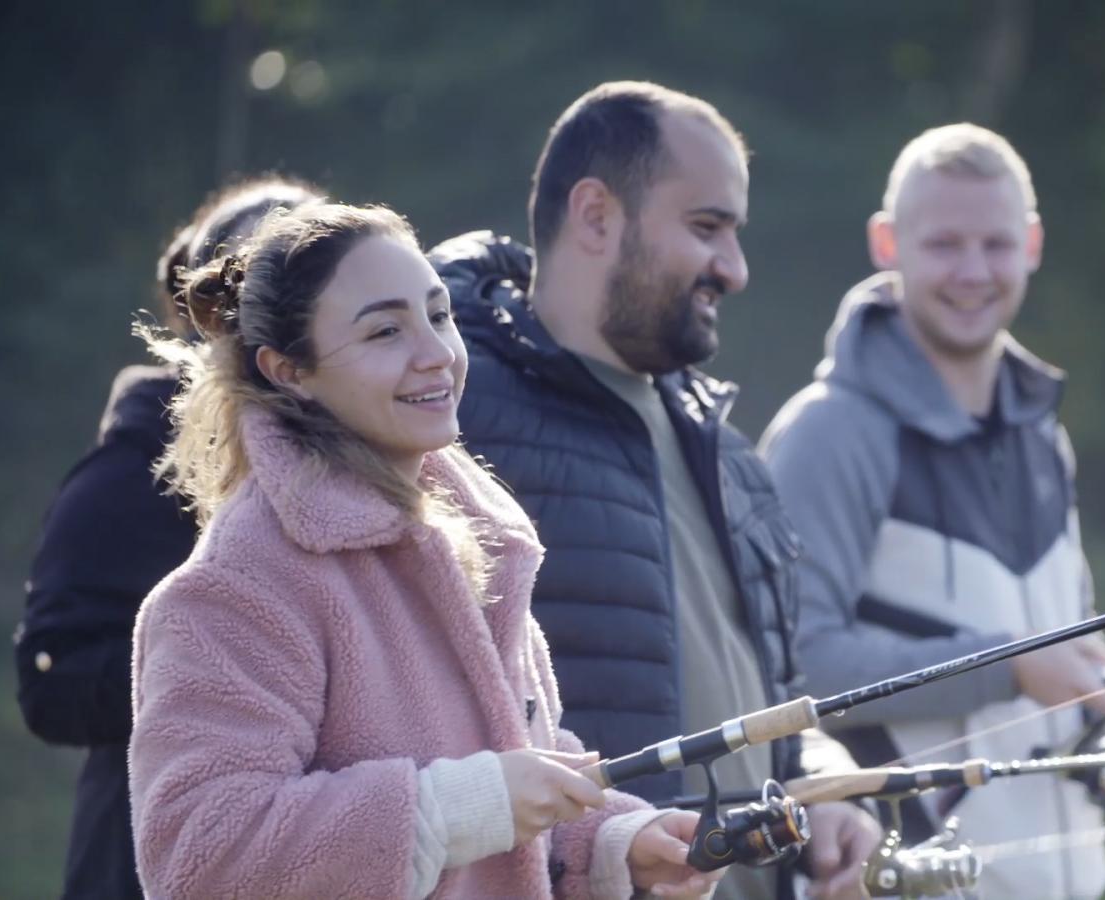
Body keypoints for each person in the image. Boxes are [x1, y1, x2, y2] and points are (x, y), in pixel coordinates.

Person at [127, 201, 719, 899]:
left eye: (438, 315)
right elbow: (202, 855)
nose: (437, 352)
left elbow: (514, 784)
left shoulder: (480, 540)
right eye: (384, 331)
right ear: (288, 370)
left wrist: (615, 843)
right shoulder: (238, 586)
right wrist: (460, 806)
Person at [431, 81, 879, 900]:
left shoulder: (733, 456)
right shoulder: (451, 418)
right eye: (707, 228)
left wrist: (824, 779)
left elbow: (775, 706)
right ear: (597, 214)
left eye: (735, 234)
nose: (735, 270)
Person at [759, 124, 1105, 899]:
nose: (972, 272)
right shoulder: (826, 434)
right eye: (943, 245)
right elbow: (790, 672)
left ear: (1032, 243)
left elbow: (1073, 626)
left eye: (996, 244)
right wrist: (1009, 667)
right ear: (887, 243)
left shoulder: (1041, 432)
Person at [13, 175, 320, 899]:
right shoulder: (133, 468)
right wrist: (213, 659)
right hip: (141, 863)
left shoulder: (359, 468)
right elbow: (50, 683)